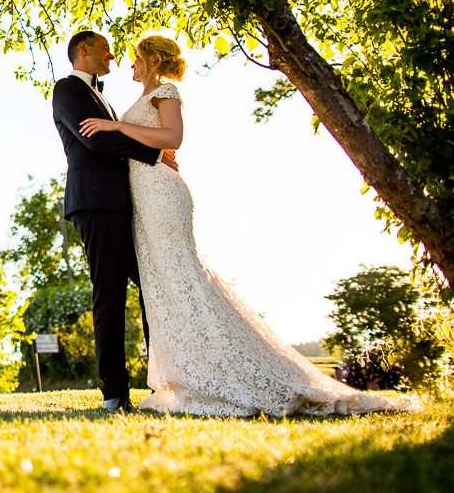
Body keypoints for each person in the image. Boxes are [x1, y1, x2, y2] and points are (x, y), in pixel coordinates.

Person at [80, 35, 420, 416]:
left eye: (136, 59)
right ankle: (188, 373)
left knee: (182, 277)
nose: (131, 66)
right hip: (142, 202)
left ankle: (225, 373)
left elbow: (174, 138)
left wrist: (118, 129)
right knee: (164, 286)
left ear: (152, 59)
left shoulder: (168, 91)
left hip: (163, 195)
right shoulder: (141, 98)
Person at [52, 30, 176, 412]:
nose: (112, 55)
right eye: (106, 49)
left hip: (124, 205)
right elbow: (95, 141)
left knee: (154, 289)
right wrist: (153, 155)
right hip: (95, 202)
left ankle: (167, 381)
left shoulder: (102, 95)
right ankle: (114, 393)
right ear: (84, 50)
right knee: (110, 295)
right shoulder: (66, 89)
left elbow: (110, 134)